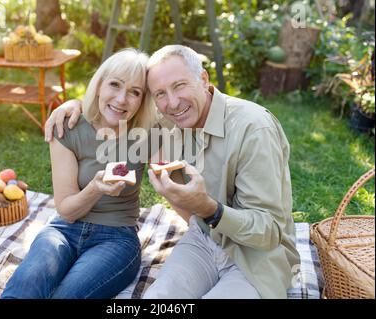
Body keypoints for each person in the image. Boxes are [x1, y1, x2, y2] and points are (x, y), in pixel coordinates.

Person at [44, 45, 301, 299]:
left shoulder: (253, 128)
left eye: (179, 86)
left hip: (257, 256)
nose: (173, 103)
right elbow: (118, 104)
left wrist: (210, 210)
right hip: (204, 239)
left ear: (203, 79)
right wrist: (74, 104)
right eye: (160, 94)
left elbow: (269, 233)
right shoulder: (168, 119)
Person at [1, 48, 156, 299]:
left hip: (116, 239)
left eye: (134, 92)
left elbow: (181, 112)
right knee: (25, 287)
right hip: (63, 229)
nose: (121, 99)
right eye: (114, 85)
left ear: (142, 100)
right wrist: (95, 189)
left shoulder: (147, 132)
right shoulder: (68, 127)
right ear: (99, 85)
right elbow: (67, 210)